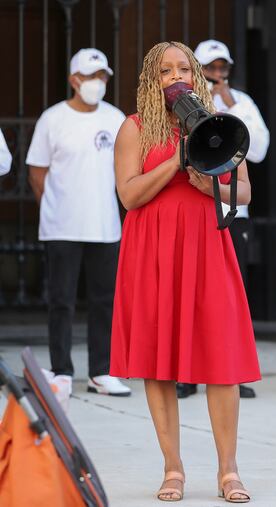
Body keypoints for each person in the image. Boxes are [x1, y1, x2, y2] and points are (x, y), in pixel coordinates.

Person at [109, 41, 259, 502]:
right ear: (151, 81)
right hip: (151, 250)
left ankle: (228, 471)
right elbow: (129, 196)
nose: (176, 77)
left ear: (196, 76)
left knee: (220, 360)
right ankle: (172, 468)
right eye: (164, 71)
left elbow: (245, 193)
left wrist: (203, 180)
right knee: (158, 362)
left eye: (184, 69)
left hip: (205, 246)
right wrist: (177, 160)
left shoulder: (220, 128)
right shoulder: (134, 128)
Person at [26, 48, 130, 397]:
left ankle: (101, 371)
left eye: (102, 77)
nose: (97, 83)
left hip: (105, 226)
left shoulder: (116, 118)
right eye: (90, 77)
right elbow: (37, 172)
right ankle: (61, 372)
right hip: (62, 227)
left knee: (105, 300)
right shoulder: (52, 119)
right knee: (62, 301)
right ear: (74, 80)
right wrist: (54, 207)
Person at [172, 39, 271, 400]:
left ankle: (231, 370)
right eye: (209, 69)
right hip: (195, 212)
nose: (217, 76)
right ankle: (187, 373)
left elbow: (257, 150)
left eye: (222, 69)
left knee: (229, 297)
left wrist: (230, 106)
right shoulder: (182, 105)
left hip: (232, 214)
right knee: (191, 295)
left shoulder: (241, 102)